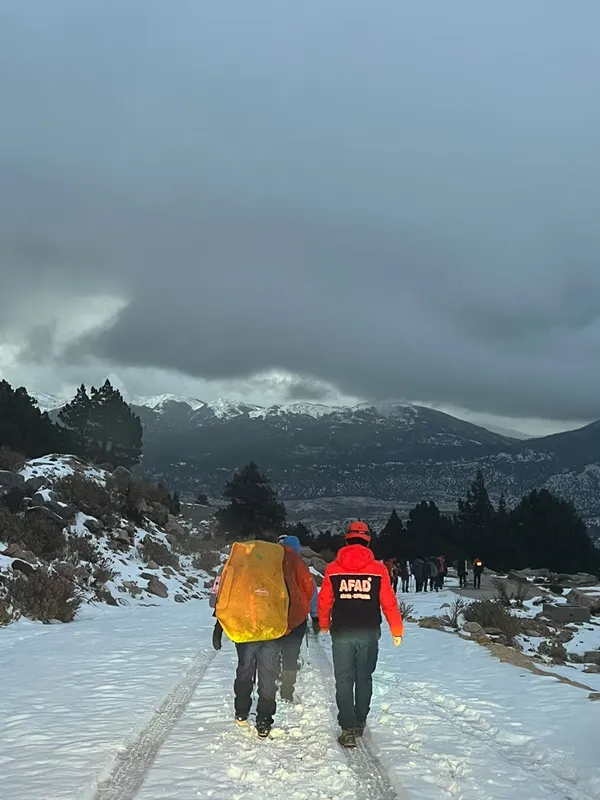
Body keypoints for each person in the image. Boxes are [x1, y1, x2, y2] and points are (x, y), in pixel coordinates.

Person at [318, 520, 404, 749]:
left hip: (342, 632)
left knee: (343, 679)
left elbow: (324, 600)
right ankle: (359, 722)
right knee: (364, 678)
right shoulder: (378, 569)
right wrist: (397, 629)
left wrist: (324, 624)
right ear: (367, 541)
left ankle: (347, 730)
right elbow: (388, 602)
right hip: (368, 632)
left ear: (347, 540)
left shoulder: (333, 568)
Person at [277, 534, 318, 702]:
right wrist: (314, 615)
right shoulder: (301, 566)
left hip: (275, 617)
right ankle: (287, 690)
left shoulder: (273, 564)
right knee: (291, 654)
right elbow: (311, 592)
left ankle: (273, 675)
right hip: (297, 619)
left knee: (273, 649)